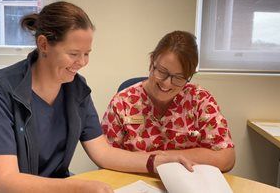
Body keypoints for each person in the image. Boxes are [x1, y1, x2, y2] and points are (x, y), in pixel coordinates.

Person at [0, 2, 194, 193]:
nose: (82, 63)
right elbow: (6, 183)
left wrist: (155, 161)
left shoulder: (76, 89)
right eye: (74, 54)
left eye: (87, 54)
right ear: (44, 44)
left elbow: (103, 152)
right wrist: (77, 187)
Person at [101, 31, 235, 173]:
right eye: (162, 72)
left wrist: (167, 158)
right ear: (152, 61)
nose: (167, 84)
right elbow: (106, 156)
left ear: (189, 76)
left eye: (178, 77)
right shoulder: (123, 103)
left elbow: (227, 157)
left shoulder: (200, 101)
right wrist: (154, 161)